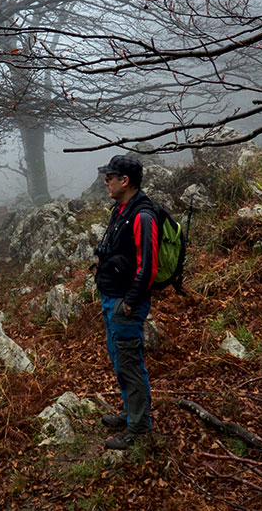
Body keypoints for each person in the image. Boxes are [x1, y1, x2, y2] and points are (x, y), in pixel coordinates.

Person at [93, 154, 158, 451]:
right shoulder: (121, 209)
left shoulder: (142, 216)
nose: (106, 181)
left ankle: (139, 428)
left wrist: (129, 303)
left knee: (130, 364)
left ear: (125, 181)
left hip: (125, 304)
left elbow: (149, 266)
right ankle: (132, 413)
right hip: (112, 299)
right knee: (120, 361)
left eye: (110, 177)